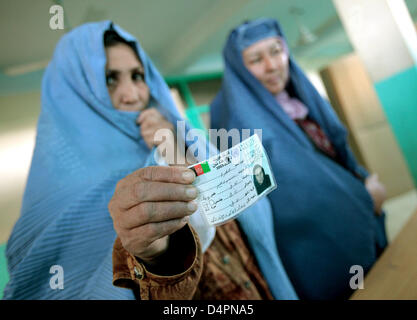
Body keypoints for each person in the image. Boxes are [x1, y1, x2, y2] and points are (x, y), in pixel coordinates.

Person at [3, 21, 297, 300]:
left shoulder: (176, 137)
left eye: (137, 76)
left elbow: (231, 210)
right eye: (109, 79)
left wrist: (171, 143)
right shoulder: (57, 199)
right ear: (76, 93)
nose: (131, 95)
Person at [210, 18, 388, 300]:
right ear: (240, 70)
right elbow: (295, 203)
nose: (272, 65)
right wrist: (366, 201)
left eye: (277, 50)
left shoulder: (298, 101)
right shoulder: (236, 123)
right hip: (317, 255)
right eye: (256, 59)